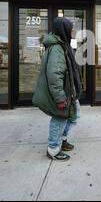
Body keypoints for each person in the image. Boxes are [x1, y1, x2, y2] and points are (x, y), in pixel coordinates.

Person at [33, 17, 82, 161]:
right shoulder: (57, 49)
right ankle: (53, 149)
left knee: (74, 116)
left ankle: (62, 139)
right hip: (62, 93)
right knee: (59, 118)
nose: (73, 31)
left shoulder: (62, 45)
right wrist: (60, 98)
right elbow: (55, 76)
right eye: (70, 28)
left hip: (69, 91)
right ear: (64, 30)